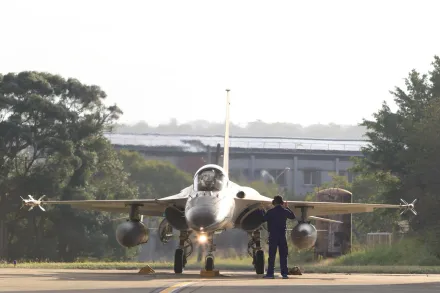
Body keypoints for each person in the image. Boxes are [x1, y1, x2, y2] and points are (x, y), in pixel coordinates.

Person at [260, 195, 296, 279]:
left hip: (273, 235)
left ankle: (270, 274)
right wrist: (287, 208)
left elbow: (263, 219)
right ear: (282, 203)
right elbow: (293, 216)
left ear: (274, 202)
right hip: (282, 236)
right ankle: (284, 273)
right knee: (283, 255)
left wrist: (261, 210)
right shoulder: (285, 211)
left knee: (272, 255)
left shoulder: (270, 212)